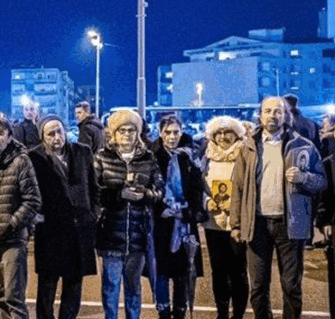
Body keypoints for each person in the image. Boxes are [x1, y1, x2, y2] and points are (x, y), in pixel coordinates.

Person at [231, 95, 325, 319]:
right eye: (267, 111)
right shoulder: (248, 147)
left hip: (290, 225)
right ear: (260, 115)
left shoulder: (303, 145)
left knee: (291, 286)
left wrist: (304, 177)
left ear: (286, 116)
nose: (272, 115)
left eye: (278, 111)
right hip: (257, 224)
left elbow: (321, 181)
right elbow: (238, 187)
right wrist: (236, 224)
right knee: (258, 287)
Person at [95, 108, 163, 319]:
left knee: (134, 287)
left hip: (139, 234)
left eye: (132, 130)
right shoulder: (102, 157)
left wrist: (145, 195)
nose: (127, 134)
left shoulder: (148, 158)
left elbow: (160, 192)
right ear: (113, 133)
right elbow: (95, 192)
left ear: (138, 133)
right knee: (110, 288)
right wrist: (118, 194)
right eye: (122, 130)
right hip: (110, 233)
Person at [28, 115, 98, 319]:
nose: (57, 137)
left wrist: (93, 214)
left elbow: (94, 187)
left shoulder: (82, 152)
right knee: (47, 285)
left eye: (59, 131)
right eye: (51, 134)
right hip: (51, 229)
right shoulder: (35, 157)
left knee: (74, 285)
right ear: (42, 137)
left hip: (80, 229)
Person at [0, 113, 42, 319]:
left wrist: (11, 224)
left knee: (14, 298)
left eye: (0, 134)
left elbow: (33, 201)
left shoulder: (21, 162)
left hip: (12, 241)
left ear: (10, 136)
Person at [150, 115, 205, 319]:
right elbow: (149, 187)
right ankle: (163, 312)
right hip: (162, 221)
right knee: (161, 271)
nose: (172, 137)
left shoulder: (190, 155)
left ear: (181, 132)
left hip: (184, 220)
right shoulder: (152, 155)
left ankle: (181, 311)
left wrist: (191, 211)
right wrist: (159, 209)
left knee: (183, 271)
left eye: (176, 132)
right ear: (160, 133)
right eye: (168, 132)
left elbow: (198, 187)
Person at [200, 115, 248, 319]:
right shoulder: (206, 156)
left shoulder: (246, 155)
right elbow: (197, 184)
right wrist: (206, 201)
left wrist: (236, 205)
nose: (222, 137)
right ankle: (221, 313)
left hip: (237, 223)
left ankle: (238, 314)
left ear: (236, 134)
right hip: (213, 223)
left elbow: (251, 187)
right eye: (217, 133)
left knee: (238, 271)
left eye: (227, 132)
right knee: (218, 271)